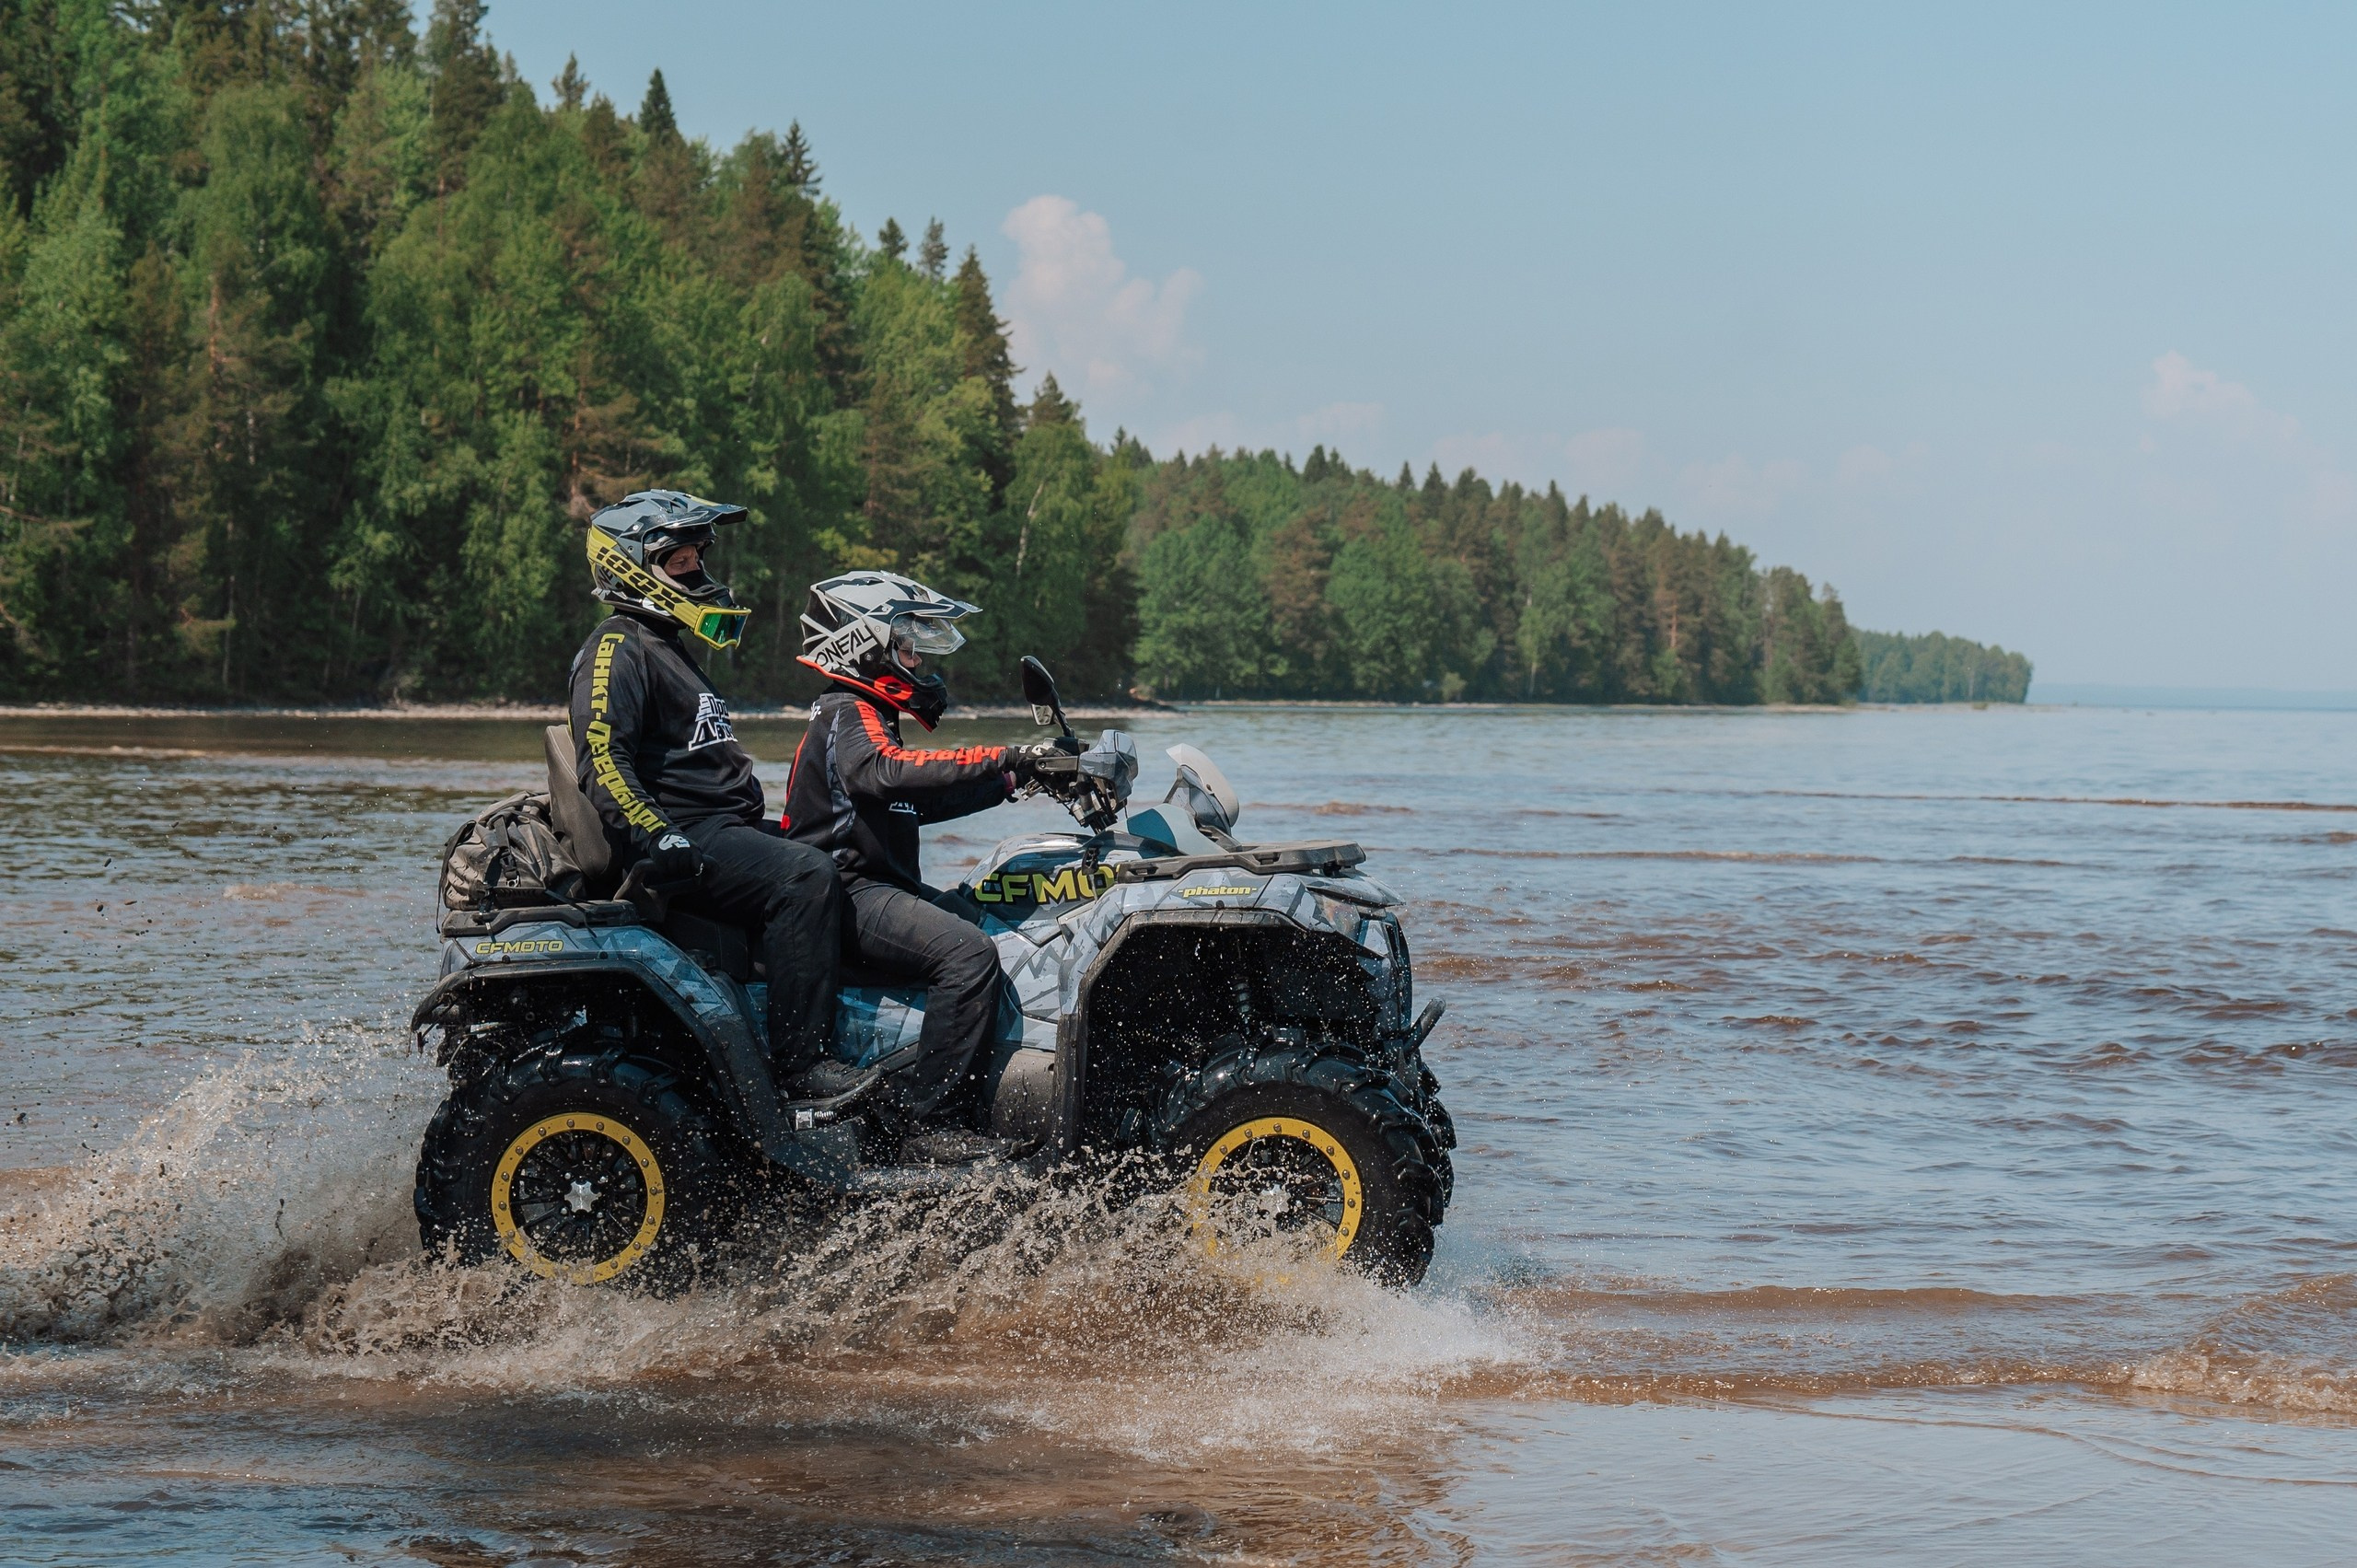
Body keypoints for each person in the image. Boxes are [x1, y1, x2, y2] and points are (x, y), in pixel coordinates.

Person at [568, 490, 864, 1102]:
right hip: (687, 835)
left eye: (700, 558)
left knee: (841, 855)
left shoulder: (669, 648)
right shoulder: (617, 647)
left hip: (721, 829)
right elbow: (603, 757)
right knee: (805, 876)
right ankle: (801, 1065)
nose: (698, 572)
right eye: (682, 561)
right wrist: (656, 833)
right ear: (630, 564)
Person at [783, 572, 1071, 1154]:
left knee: (992, 924)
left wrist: (1017, 779)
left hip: (873, 885)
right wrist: (1004, 754)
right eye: (905, 643)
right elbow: (887, 771)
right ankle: (927, 1123)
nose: (916, 658)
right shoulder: (846, 709)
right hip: (849, 892)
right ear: (863, 644)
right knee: (969, 954)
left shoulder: (865, 717)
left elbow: (912, 800)